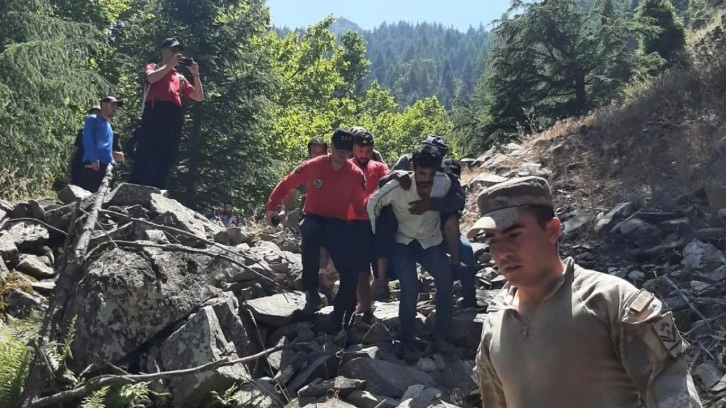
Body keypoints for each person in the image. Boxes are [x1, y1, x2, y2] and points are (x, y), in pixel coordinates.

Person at [471, 176, 702, 408]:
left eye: (514, 235)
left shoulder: (611, 300)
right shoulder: (495, 322)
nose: (502, 252)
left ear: (551, 230)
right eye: (492, 241)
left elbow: (674, 391)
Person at [266, 129, 368, 333]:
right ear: (331, 148)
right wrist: (271, 207)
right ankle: (311, 290)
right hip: (314, 217)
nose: (343, 154)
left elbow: (359, 205)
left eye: (347, 151)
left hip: (339, 223)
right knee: (310, 234)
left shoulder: (356, 175)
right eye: (339, 149)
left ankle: (340, 316)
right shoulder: (313, 166)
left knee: (350, 270)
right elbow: (287, 182)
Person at [367, 144, 454, 357]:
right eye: (422, 173)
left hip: (430, 240)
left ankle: (441, 336)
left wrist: (433, 204)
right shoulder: (398, 187)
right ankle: (406, 339)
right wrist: (380, 233)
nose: (426, 179)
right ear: (413, 167)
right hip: (402, 242)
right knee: (410, 287)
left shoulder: (444, 184)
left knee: (445, 282)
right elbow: (372, 203)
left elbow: (455, 203)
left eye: (431, 174)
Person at [130, 37, 204, 189]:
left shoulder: (180, 78)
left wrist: (195, 74)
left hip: (173, 116)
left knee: (166, 153)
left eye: (179, 51)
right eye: (174, 50)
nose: (177, 53)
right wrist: (170, 65)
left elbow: (198, 97)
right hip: (154, 111)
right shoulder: (153, 66)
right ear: (164, 50)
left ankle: (157, 187)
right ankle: (134, 186)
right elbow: (151, 78)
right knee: (146, 149)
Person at [348, 127, 389, 324]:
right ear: (354, 149)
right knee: (361, 270)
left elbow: (390, 183)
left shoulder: (379, 167)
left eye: (367, 152)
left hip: (377, 219)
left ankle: (382, 283)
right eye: (360, 151)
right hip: (354, 223)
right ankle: (366, 310)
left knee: (379, 259)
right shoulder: (345, 168)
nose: (363, 156)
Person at [66, 105, 124, 186]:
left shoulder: (112, 135)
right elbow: (75, 151)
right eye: (92, 114)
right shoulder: (83, 132)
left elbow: (121, 158)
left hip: (102, 173)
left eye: (98, 114)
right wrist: (69, 168)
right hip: (81, 171)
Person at [282, 136, 329, 213]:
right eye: (315, 153)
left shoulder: (335, 167)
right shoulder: (303, 169)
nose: (318, 156)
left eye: (321, 153)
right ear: (310, 153)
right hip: (308, 212)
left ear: (326, 153)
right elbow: (290, 190)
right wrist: (283, 210)